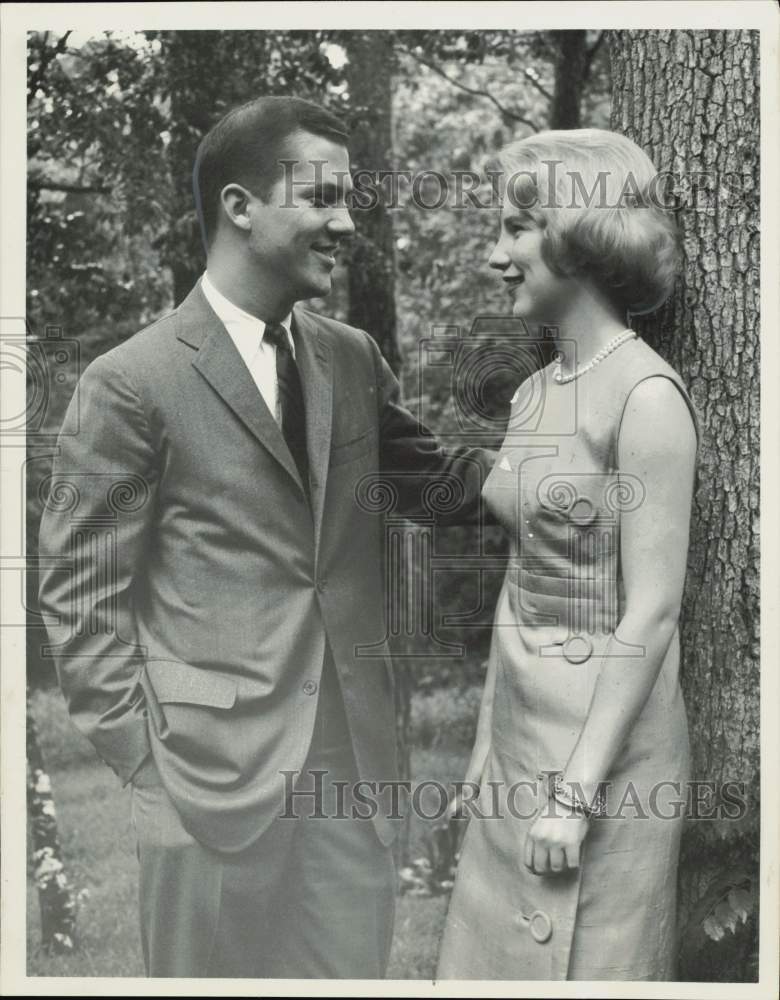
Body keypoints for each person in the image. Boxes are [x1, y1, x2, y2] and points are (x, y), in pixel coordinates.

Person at [37, 96, 492, 979]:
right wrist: (147, 769)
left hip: (350, 783)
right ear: (240, 207)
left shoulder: (351, 356)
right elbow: (80, 601)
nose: (346, 219)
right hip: (201, 789)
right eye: (322, 196)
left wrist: (593, 449)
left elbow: (442, 487)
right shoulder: (131, 382)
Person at [437, 129, 698, 981]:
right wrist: (484, 748)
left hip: (608, 758)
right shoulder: (531, 392)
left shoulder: (649, 396)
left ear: (578, 234)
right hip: (519, 740)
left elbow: (653, 613)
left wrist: (575, 794)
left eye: (517, 228)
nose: (496, 254)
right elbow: (520, 578)